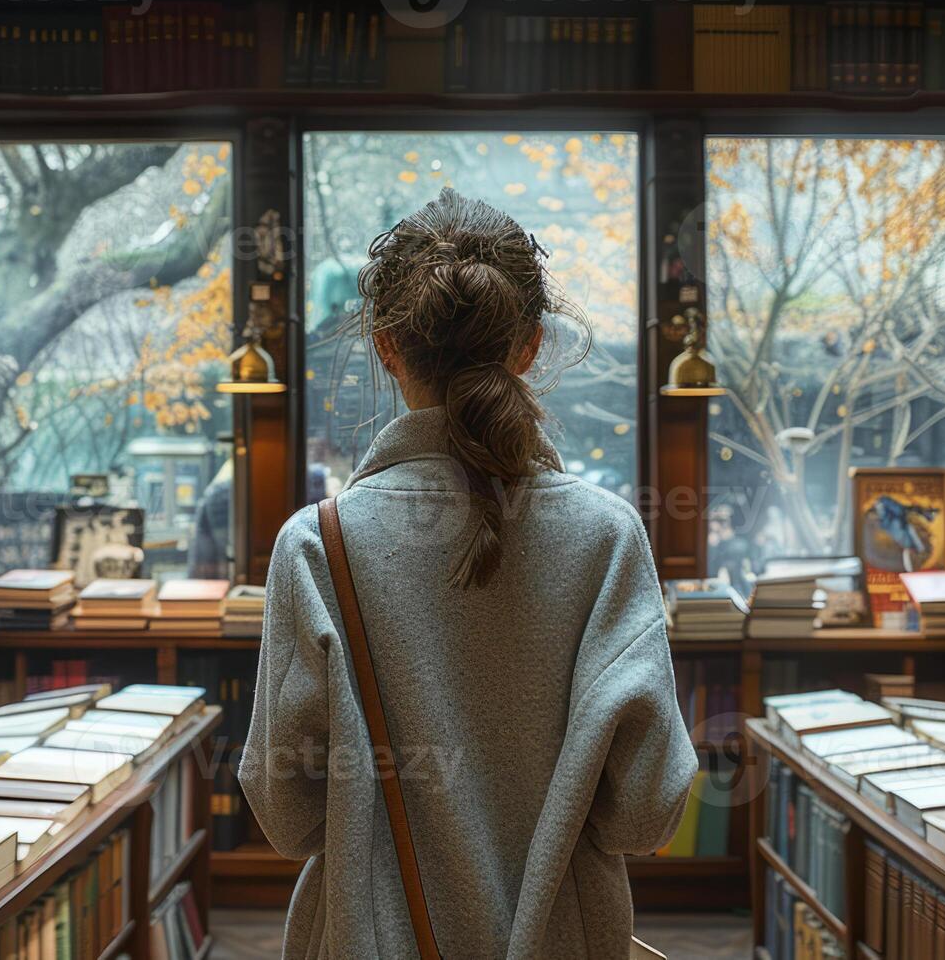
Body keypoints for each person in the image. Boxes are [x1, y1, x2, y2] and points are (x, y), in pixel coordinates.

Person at [237, 191, 695, 959]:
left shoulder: (318, 546)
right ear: (532, 347)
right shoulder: (608, 536)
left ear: (386, 347)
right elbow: (644, 815)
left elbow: (288, 817)